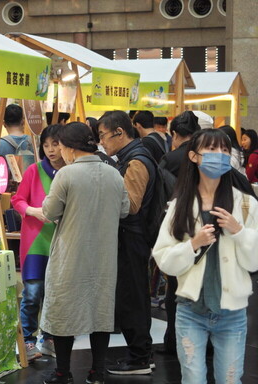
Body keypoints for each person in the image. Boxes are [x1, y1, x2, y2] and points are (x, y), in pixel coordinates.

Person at [152, 129, 258, 384]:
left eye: (224, 150)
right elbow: (163, 257)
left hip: (232, 312)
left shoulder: (245, 204)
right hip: (191, 310)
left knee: (230, 379)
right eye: (211, 149)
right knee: (193, 378)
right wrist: (193, 245)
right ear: (193, 156)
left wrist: (239, 231)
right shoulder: (180, 205)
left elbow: (254, 262)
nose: (219, 156)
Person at [40, 122, 129, 384]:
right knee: (100, 313)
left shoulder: (66, 175)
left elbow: (49, 212)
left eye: (59, 146)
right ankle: (97, 373)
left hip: (71, 254)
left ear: (68, 148)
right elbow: (124, 209)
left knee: (63, 311)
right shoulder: (114, 173)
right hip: (104, 255)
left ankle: (62, 373)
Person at [98, 110, 155, 375]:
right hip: (131, 237)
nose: (102, 143)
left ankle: (139, 358)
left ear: (119, 132)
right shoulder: (131, 156)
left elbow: (130, 205)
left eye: (103, 136)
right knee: (132, 295)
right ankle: (140, 354)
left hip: (133, 237)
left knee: (132, 296)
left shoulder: (137, 161)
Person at [10, 125, 66, 361]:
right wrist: (33, 210)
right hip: (34, 243)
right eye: (46, 145)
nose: (51, 150)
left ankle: (50, 338)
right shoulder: (34, 170)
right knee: (32, 293)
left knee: (56, 294)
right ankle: (28, 341)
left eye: (55, 144)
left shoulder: (70, 172)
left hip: (61, 242)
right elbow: (17, 199)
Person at [156, 110, 201, 355]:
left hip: (177, 230)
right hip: (206, 229)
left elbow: (161, 198)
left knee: (175, 288)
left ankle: (174, 341)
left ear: (174, 134)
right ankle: (205, 342)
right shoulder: (208, 156)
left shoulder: (170, 159)